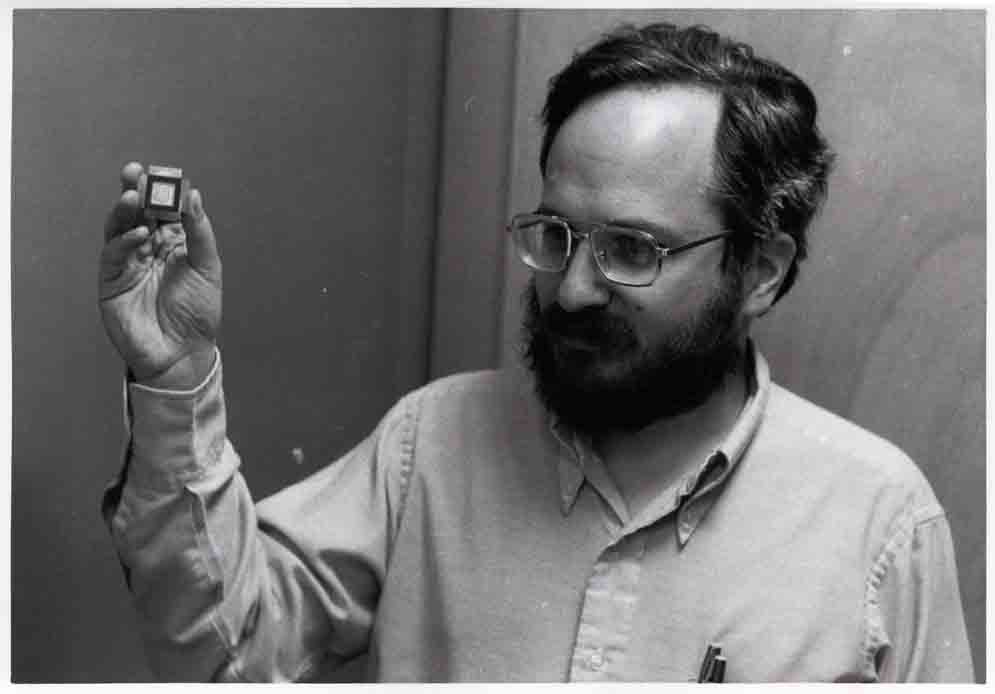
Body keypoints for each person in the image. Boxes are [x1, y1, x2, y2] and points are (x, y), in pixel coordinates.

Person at [98, 22, 973, 682]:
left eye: (633, 249)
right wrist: (176, 381)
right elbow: (226, 654)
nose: (573, 288)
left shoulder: (879, 523)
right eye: (555, 233)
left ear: (760, 271)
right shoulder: (429, 445)